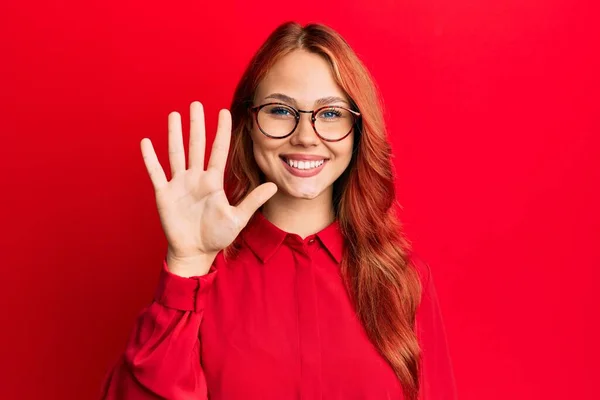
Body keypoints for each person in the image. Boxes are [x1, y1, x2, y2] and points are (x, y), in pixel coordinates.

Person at [100, 22, 457, 400]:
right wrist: (185, 266)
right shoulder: (201, 281)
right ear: (249, 124)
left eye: (331, 114)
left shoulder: (402, 280)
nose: (305, 134)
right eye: (281, 110)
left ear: (357, 129)